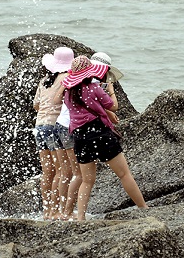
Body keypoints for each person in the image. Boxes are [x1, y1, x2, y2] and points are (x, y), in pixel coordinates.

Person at [58, 55, 148, 221]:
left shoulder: (68, 93)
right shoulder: (94, 88)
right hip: (99, 134)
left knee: (87, 181)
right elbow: (113, 105)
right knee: (124, 174)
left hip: (79, 137)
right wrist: (111, 90)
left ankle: (81, 218)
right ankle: (144, 208)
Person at [34, 46, 74, 219]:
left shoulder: (44, 80)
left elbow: (36, 105)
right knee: (62, 171)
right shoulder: (67, 78)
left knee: (47, 172)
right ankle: (56, 210)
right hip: (54, 127)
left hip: (40, 126)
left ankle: (46, 211)